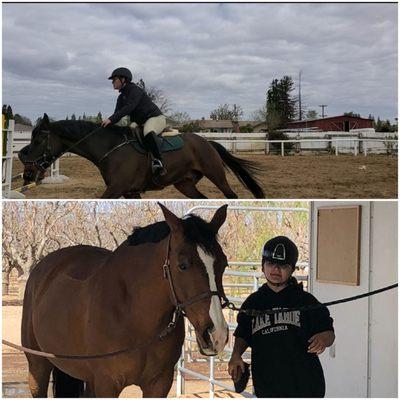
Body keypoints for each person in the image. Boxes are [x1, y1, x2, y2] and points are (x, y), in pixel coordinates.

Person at [228, 236, 335, 398]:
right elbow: (243, 334)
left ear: (292, 269)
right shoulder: (253, 303)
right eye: (270, 264)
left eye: (283, 265)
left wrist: (323, 338)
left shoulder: (306, 301)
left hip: (306, 386)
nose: (276, 269)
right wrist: (236, 355)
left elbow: (329, 333)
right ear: (262, 266)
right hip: (267, 385)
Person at [101, 67, 167, 176]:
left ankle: (159, 161)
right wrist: (107, 123)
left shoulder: (135, 90)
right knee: (128, 132)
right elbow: (117, 114)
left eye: (114, 79)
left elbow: (129, 108)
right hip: (140, 121)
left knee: (148, 131)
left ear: (123, 79)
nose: (112, 82)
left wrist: (111, 119)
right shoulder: (121, 97)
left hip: (155, 118)